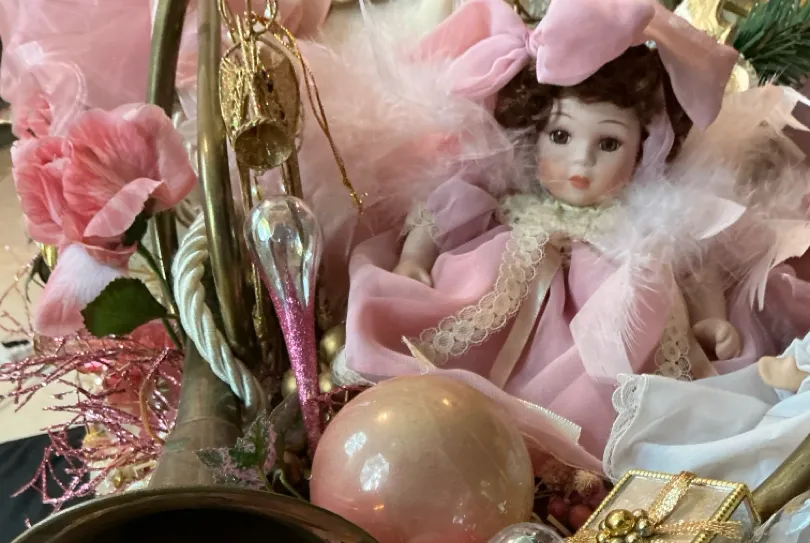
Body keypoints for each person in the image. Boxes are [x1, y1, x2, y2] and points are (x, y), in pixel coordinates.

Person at [338, 0, 810, 474]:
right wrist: (415, 258)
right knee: (453, 310)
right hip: (494, 301)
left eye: (609, 144)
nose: (582, 162)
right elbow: (443, 206)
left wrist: (709, 320)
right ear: (535, 132)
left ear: (645, 149)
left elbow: (694, 258)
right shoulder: (510, 198)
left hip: (594, 340)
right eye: (561, 136)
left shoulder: (644, 229)